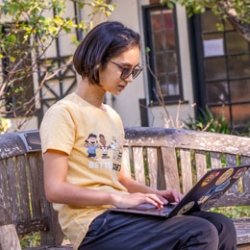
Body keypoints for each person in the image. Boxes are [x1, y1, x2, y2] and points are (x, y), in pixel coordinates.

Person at [40, 21, 236, 250]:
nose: (130, 78)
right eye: (124, 69)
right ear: (97, 61)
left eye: (133, 70)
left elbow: (121, 179)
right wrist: (117, 198)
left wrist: (156, 195)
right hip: (93, 227)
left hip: (121, 216)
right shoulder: (64, 114)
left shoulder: (112, 116)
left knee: (222, 225)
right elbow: (54, 189)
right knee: (199, 233)